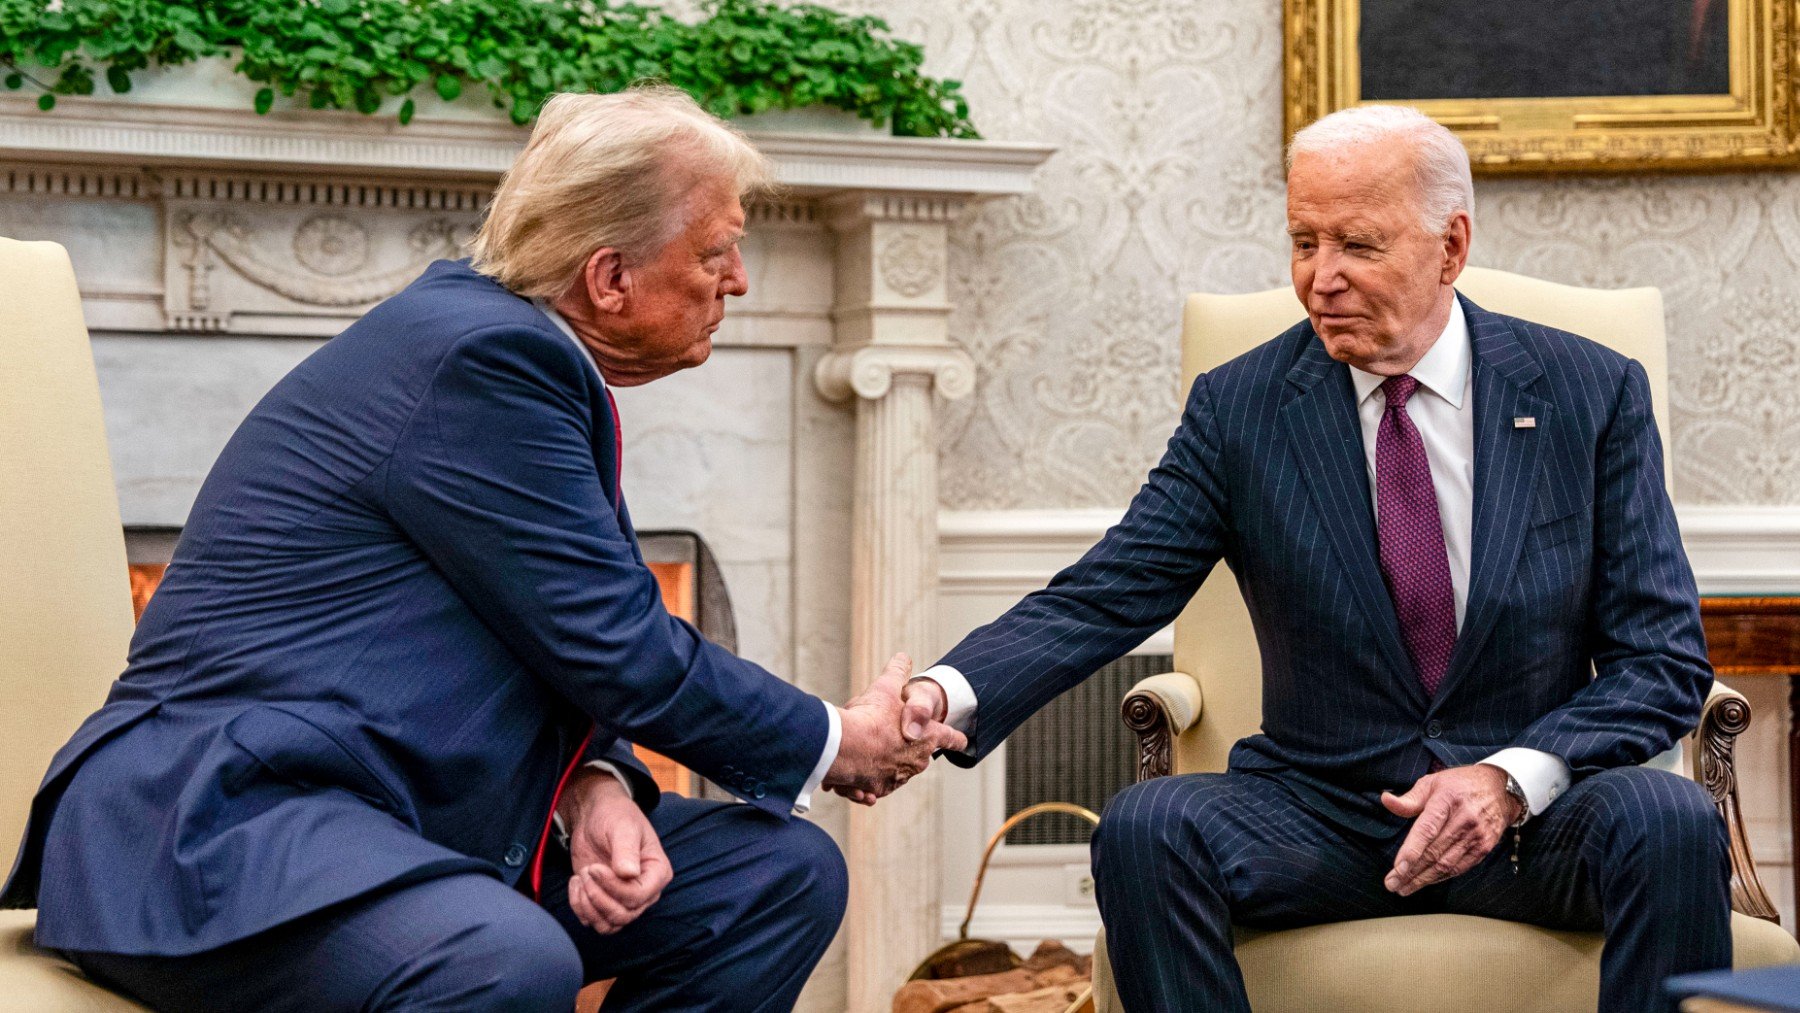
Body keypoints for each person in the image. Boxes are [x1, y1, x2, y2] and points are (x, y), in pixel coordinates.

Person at [1, 86, 961, 1012]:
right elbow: (617, 643)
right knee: (502, 961)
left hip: (396, 823)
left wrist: (597, 781)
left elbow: (546, 622)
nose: (738, 280)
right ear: (610, 275)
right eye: (718, 249)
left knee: (776, 873)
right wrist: (835, 739)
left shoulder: (509, 352)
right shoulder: (482, 360)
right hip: (221, 832)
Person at [899, 105, 1726, 1013]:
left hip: (1528, 819)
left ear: (1450, 247)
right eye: (1303, 240)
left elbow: (1663, 659)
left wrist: (1509, 776)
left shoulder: (1589, 392)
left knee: (1669, 818)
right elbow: (1105, 595)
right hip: (1324, 814)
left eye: (1357, 246)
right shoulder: (1242, 407)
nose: (1320, 278)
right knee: (1146, 826)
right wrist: (943, 693)